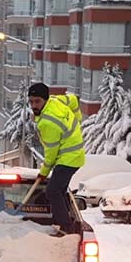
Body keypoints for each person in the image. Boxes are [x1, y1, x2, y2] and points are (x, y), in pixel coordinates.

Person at [27, 83, 86, 236]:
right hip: (75, 155)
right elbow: (73, 100)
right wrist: (77, 119)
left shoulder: (47, 123)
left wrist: (44, 172)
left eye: (37, 101)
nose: (34, 105)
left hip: (68, 158)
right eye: (31, 101)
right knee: (60, 190)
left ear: (45, 100)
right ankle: (67, 220)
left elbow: (51, 153)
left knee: (52, 191)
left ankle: (65, 226)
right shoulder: (56, 100)